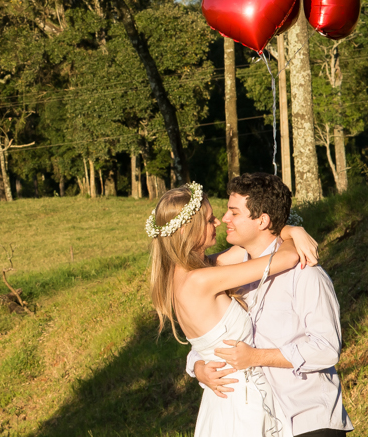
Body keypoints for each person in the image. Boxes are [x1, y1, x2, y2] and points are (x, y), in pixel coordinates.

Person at [187, 173, 353, 437]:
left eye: (234, 213)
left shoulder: (305, 273)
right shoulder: (234, 276)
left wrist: (256, 357)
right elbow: (214, 332)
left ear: (262, 221)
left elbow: (326, 348)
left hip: (308, 420)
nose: (225, 218)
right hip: (262, 423)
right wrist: (197, 366)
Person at [147, 181, 318, 437]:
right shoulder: (200, 280)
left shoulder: (187, 274)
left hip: (223, 400)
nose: (218, 222)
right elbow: (286, 258)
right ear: (186, 230)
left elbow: (257, 241)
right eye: (209, 220)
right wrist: (296, 232)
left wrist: (290, 229)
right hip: (242, 402)